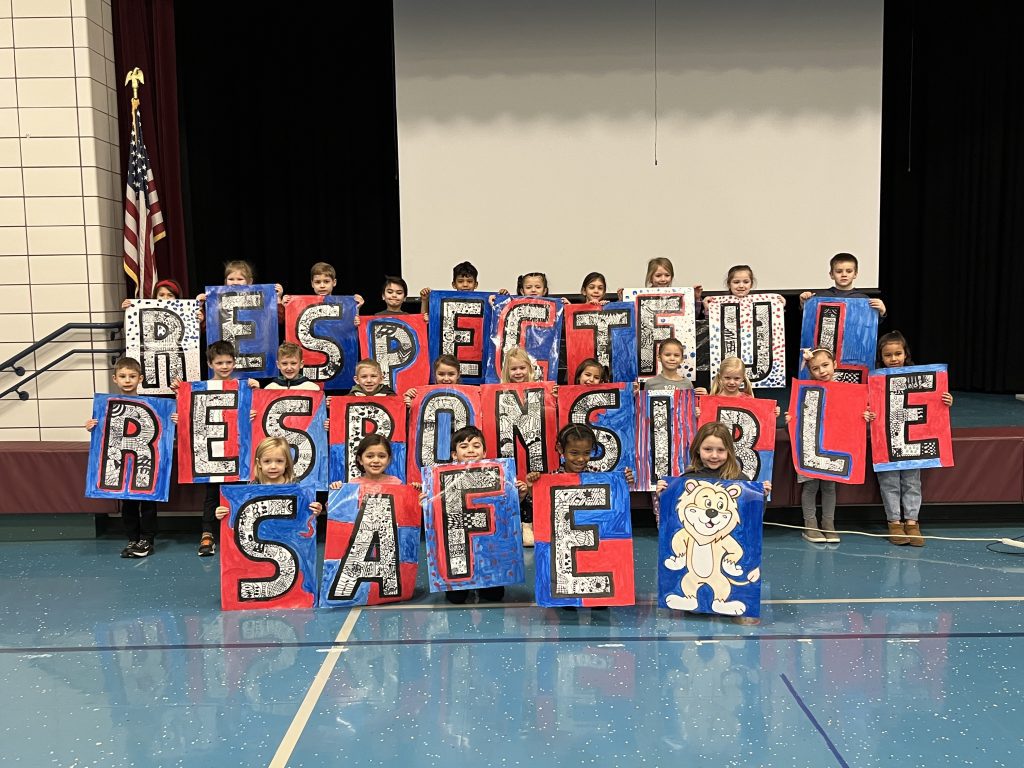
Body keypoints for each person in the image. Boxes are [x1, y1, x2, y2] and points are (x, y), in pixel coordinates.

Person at [524, 423, 635, 611]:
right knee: (567, 599)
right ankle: (568, 595)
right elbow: (537, 508)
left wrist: (625, 483)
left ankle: (597, 596)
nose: (581, 459)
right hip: (565, 548)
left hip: (594, 546)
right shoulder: (550, 479)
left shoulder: (601, 477)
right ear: (560, 449)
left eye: (586, 453)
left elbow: (615, 509)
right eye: (574, 453)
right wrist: (531, 486)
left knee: (598, 596)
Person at [867, 331, 953, 546]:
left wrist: (946, 400)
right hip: (885, 440)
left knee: (912, 482)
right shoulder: (875, 381)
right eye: (888, 355)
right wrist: (868, 413)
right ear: (881, 357)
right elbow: (867, 405)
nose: (894, 359)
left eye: (898, 353)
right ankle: (894, 522)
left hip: (912, 441)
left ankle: (912, 522)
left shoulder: (919, 378)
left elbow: (933, 401)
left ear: (906, 354)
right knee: (889, 482)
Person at [785, 348, 871, 544]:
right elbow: (796, 414)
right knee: (810, 486)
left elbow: (852, 415)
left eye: (825, 365)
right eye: (815, 368)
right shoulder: (805, 391)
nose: (822, 371)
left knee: (829, 487)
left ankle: (828, 523)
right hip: (810, 445)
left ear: (835, 364)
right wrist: (792, 418)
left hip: (833, 447)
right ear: (810, 371)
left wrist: (863, 416)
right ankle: (810, 524)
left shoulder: (847, 391)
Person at [84, 357, 159, 558]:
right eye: (123, 376)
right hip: (123, 465)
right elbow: (104, 435)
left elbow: (162, 428)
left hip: (145, 462)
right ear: (115, 379)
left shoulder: (152, 405)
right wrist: (92, 426)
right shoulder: (108, 407)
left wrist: (172, 420)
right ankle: (133, 539)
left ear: (140, 378)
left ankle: (147, 540)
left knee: (149, 503)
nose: (128, 380)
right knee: (128, 504)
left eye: (132, 376)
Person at [191, 340, 260, 557]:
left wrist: (255, 398)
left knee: (240, 489)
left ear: (234, 363)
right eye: (219, 362)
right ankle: (207, 533)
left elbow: (259, 413)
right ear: (210, 363)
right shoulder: (200, 388)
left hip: (238, 448)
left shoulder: (245, 387)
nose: (224, 366)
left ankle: (241, 532)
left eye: (228, 362)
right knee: (212, 493)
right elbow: (192, 416)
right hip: (211, 450)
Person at [441, 426, 516, 604]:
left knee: (494, 596)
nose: (470, 450)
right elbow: (436, 511)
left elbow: (507, 509)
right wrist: (427, 502)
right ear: (454, 454)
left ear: (484, 452)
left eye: (476, 446)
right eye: (464, 446)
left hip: (489, 541)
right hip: (459, 540)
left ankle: (488, 583)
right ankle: (462, 584)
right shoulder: (442, 478)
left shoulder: (497, 475)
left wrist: (517, 494)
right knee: (456, 598)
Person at [216, 437, 324, 519]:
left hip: (288, 538)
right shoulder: (252, 488)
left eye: (279, 461)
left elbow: (305, 514)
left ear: (287, 463)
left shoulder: (296, 486)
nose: (273, 466)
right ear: (259, 463)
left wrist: (315, 510)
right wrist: (224, 512)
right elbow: (241, 512)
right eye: (267, 461)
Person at [798, 252, 886, 317]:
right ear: (831, 275)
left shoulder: (864, 299)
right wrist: (804, 304)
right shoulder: (821, 297)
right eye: (839, 271)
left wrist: (882, 311)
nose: (844, 274)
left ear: (855, 274)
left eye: (849, 271)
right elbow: (809, 319)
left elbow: (870, 325)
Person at [418, 261, 508, 313]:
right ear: (454, 284)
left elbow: (498, 319)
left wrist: (503, 298)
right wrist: (425, 300)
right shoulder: (444, 303)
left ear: (476, 285)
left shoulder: (486, 303)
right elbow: (425, 322)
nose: (465, 285)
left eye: (469, 281)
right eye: (460, 281)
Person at [708, 356, 781, 417]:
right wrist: (698, 414)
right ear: (720, 377)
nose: (731, 382)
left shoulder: (748, 399)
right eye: (727, 378)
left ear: (742, 378)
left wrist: (772, 413)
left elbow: (760, 421)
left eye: (736, 378)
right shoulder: (711, 401)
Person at [701, 264, 786, 311]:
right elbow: (711, 324)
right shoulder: (718, 303)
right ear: (729, 284)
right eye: (736, 282)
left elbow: (771, 320)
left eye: (746, 282)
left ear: (751, 284)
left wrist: (779, 305)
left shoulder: (760, 303)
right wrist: (708, 308)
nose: (741, 286)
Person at [281, 262, 364, 309]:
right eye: (317, 282)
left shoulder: (344, 305)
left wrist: (356, 308)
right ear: (312, 284)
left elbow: (350, 324)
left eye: (326, 281)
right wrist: (286, 306)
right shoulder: (302, 305)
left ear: (334, 282)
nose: (322, 286)